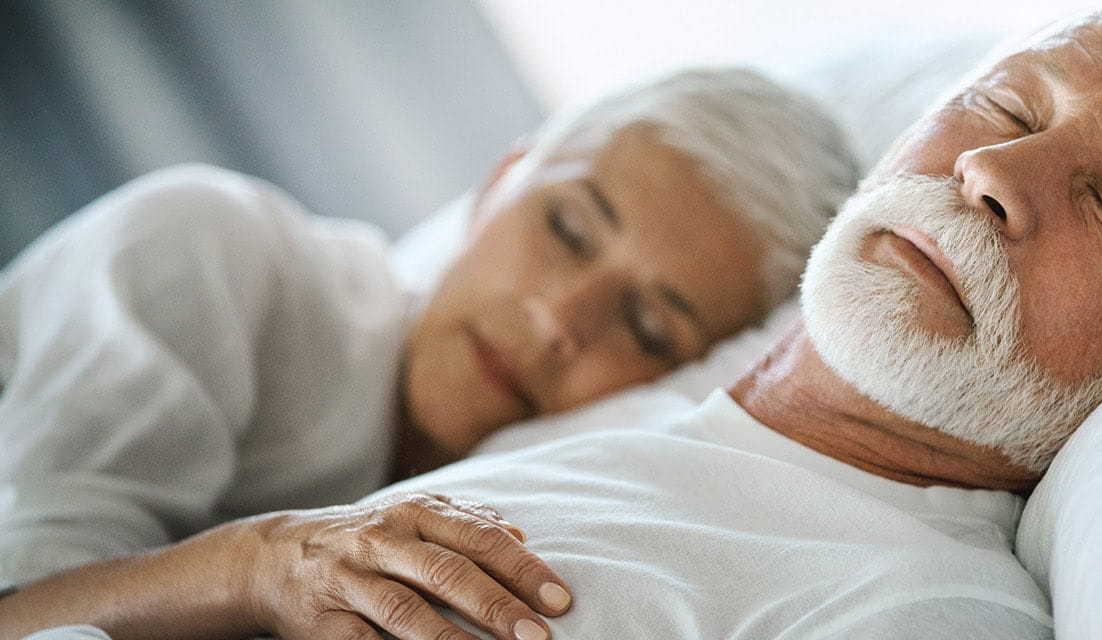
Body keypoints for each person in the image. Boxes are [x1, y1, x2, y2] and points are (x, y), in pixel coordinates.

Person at [4, 3, 1102, 640]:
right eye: (1006, 109)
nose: (995, 177)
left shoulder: (913, 606)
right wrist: (247, 571)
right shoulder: (584, 424)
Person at [0, 69, 858, 638]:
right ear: (496, 186)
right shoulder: (210, 248)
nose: (561, 317)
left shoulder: (555, 506)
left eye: (647, 328)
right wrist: (254, 564)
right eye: (566, 227)